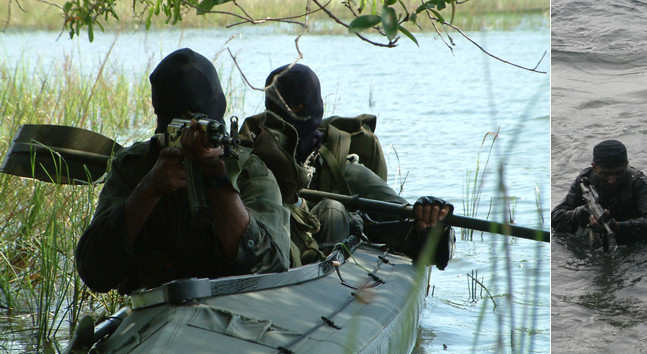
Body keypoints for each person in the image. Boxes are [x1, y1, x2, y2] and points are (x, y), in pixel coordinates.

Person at [75, 48, 291, 294]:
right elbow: (95, 272)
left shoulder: (249, 171)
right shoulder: (135, 167)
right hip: (154, 316)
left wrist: (217, 178)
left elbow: (271, 270)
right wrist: (148, 190)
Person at [240, 63, 455, 269]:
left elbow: (406, 220)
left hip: (321, 276)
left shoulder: (344, 170)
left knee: (333, 211)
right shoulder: (249, 155)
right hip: (261, 260)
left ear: (306, 107)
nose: (284, 114)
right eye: (275, 106)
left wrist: (432, 219)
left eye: (296, 106)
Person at [551, 140, 647, 245]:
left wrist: (616, 226)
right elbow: (555, 217)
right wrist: (577, 215)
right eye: (605, 174)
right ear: (594, 167)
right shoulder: (585, 181)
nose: (612, 180)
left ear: (626, 165)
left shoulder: (638, 183)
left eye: (619, 173)